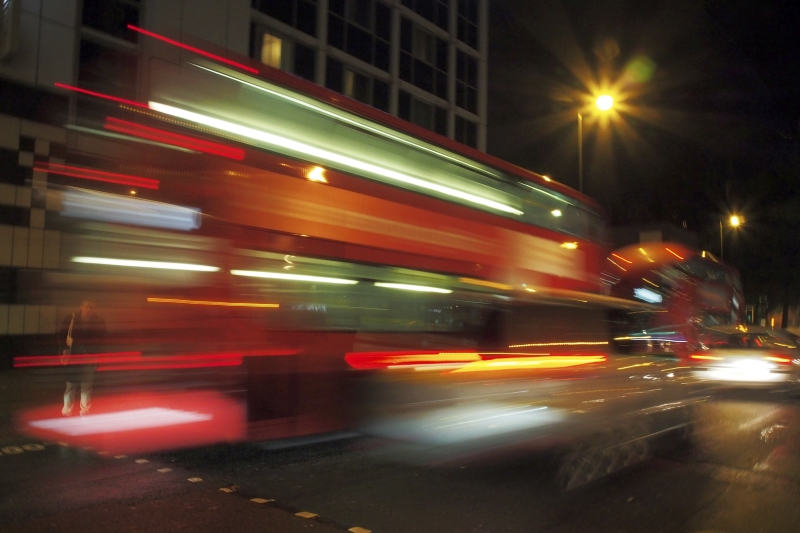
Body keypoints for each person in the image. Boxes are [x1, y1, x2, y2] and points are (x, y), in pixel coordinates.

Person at [58, 298, 107, 416]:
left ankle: (84, 410)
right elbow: (61, 335)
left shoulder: (99, 321)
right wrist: (63, 349)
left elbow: (103, 338)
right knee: (71, 384)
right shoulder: (71, 318)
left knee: (86, 385)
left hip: (89, 356)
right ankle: (68, 409)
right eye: (87, 307)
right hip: (73, 355)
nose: (89, 309)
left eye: (92, 307)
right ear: (81, 307)